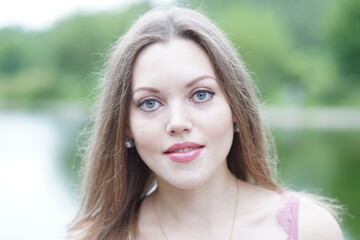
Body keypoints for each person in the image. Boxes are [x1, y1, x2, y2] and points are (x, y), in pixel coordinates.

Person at [68, 7, 344, 240]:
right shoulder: (93, 237)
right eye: (149, 103)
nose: (178, 123)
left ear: (236, 107)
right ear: (125, 126)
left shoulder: (309, 228)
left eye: (201, 95)